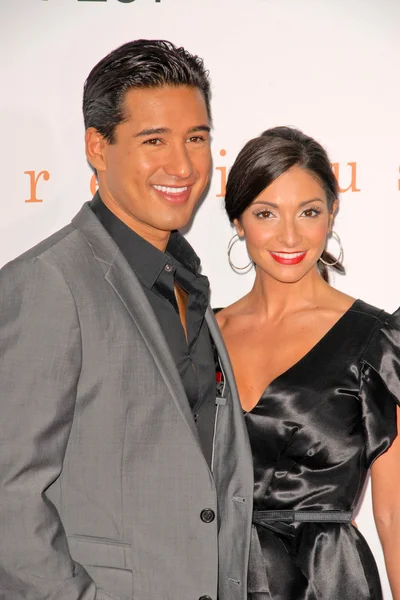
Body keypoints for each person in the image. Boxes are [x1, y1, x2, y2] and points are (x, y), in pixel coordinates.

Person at [0, 40, 253, 600]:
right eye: (154, 140)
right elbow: (8, 502)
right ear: (97, 146)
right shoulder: (49, 283)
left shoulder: (187, 283)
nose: (183, 165)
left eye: (197, 138)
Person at [216, 126, 400, 600]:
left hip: (327, 582)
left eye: (309, 212)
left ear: (332, 214)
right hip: (211, 575)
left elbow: (395, 513)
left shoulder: (376, 340)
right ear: (238, 221)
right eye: (266, 214)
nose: (290, 235)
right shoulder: (196, 336)